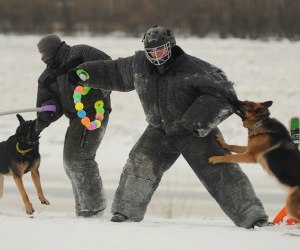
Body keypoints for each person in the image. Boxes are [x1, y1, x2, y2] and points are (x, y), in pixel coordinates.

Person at [68, 26, 271, 228]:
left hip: (193, 132)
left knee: (222, 173)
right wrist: (84, 73)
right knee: (138, 165)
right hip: (159, 130)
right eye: (151, 52)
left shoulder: (194, 69)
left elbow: (224, 93)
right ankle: (125, 214)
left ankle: (253, 218)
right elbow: (114, 72)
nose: (156, 56)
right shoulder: (139, 65)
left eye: (161, 50)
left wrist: (197, 121)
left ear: (171, 46)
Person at [35, 34, 111, 217]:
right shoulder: (47, 76)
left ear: (52, 48)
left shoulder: (80, 52)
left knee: (79, 158)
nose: (42, 57)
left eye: (43, 52)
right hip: (77, 118)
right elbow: (49, 101)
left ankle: (94, 208)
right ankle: (84, 209)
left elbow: (109, 67)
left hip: (96, 111)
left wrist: (88, 78)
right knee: (69, 162)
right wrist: (46, 114)